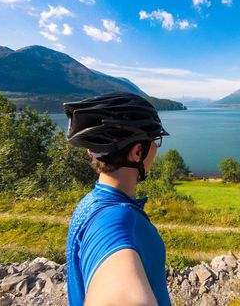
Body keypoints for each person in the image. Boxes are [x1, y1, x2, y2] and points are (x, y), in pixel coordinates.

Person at [64, 92, 171, 306]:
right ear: (137, 152)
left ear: (91, 152)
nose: (157, 149)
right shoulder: (119, 220)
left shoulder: (91, 203)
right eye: (154, 141)